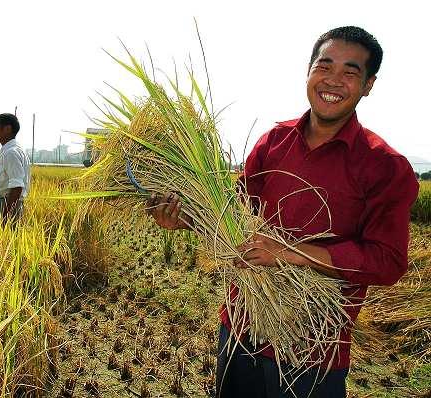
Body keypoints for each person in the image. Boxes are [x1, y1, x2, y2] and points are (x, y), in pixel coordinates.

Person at [147, 26, 419, 397]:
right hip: (240, 331)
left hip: (311, 352)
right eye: (324, 66)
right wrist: (182, 218)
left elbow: (387, 261)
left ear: (369, 84)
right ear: (308, 72)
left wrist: (290, 255)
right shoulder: (273, 143)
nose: (333, 81)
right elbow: (230, 213)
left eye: (350, 73)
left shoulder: (384, 165)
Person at [0, 113, 30, 226]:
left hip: (7, 203)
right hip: (9, 203)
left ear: (7, 129)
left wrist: (6, 215)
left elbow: (17, 186)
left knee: (3, 240)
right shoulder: (14, 150)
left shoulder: (11, 153)